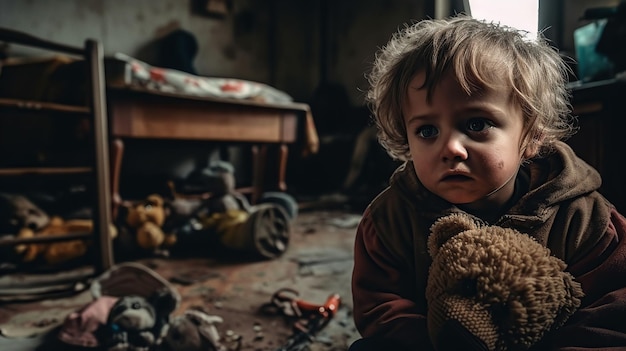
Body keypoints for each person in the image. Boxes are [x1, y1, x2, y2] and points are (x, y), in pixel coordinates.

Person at [350, 14, 626, 351]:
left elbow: (611, 311)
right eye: (427, 131)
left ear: (532, 136)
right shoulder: (388, 220)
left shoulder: (585, 217)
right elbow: (381, 308)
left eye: (477, 124)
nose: (450, 148)